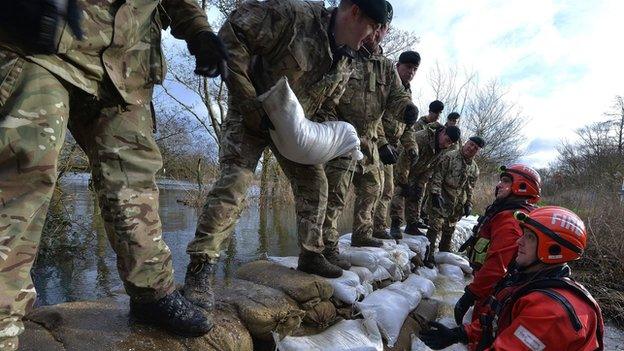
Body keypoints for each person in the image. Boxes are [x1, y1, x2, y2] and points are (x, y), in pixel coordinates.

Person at [0, 0, 228, 346]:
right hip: (43, 44)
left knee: (134, 179)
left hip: (127, 67)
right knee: (23, 169)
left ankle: (152, 293)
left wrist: (199, 31)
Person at [183, 0, 389, 318]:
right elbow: (234, 33)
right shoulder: (294, 16)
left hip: (290, 127)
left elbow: (325, 106)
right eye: (373, 28)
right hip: (250, 112)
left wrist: (328, 138)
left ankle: (310, 254)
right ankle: (200, 271)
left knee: (316, 183)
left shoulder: (346, 61)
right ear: (354, 12)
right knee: (235, 185)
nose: (375, 37)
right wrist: (248, 101)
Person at [420, 206, 604, 351]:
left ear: (553, 249)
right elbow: (498, 322)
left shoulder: (551, 313)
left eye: (530, 237)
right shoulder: (529, 283)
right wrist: (459, 334)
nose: (519, 242)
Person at [322, 2, 416, 266]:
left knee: (372, 188)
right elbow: (326, 96)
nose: (377, 33)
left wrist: (407, 109)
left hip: (371, 140)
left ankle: (362, 234)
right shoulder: (342, 51)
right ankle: (327, 246)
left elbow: (397, 96)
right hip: (341, 136)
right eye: (375, 27)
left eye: (383, 29)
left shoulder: (386, 67)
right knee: (334, 194)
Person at [453, 164, 541, 325]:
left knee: (479, 333)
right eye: (501, 180)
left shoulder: (510, 220)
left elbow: (497, 266)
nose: (499, 185)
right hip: (489, 288)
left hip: (491, 290)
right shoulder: (509, 212)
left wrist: (470, 295)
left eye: (506, 181)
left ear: (521, 186)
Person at [373, 50, 420, 240]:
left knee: (387, 190)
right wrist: (383, 143)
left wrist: (411, 146)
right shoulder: (387, 84)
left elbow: (407, 127)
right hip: (375, 141)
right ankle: (369, 229)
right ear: (398, 66)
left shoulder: (407, 93)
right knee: (373, 187)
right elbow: (373, 116)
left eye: (415, 69)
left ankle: (377, 227)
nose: (411, 72)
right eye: (408, 67)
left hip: (391, 148)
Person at [424, 136, 484, 266]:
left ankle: (444, 253)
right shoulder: (449, 157)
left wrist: (468, 203)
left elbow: (470, 188)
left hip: (457, 203)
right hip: (442, 197)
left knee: (449, 229)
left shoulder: (474, 168)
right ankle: (427, 256)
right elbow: (437, 176)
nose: (471, 148)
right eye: (471, 144)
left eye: (475, 148)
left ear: (477, 151)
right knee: (434, 227)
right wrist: (435, 193)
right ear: (466, 142)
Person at [389, 99, 445, 235]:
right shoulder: (418, 126)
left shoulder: (440, 131)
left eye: (439, 113)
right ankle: (395, 224)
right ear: (430, 111)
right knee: (401, 191)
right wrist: (404, 180)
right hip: (405, 164)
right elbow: (407, 150)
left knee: (417, 194)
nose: (437, 116)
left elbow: (432, 162)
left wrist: (421, 182)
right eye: (435, 112)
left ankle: (413, 222)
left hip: (420, 168)